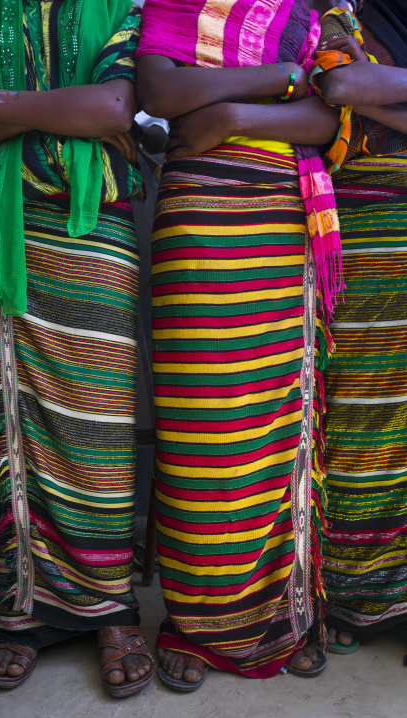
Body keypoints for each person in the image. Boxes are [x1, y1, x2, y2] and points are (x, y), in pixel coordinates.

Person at [0, 0, 153, 695]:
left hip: (92, 235)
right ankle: (19, 616)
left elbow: (114, 107)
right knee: (9, 428)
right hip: (1, 235)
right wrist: (54, 108)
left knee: (100, 430)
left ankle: (112, 612)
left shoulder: (119, 8)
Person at [136, 0, 341, 689]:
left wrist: (231, 115)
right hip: (199, 219)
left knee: (275, 429)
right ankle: (196, 623)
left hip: (284, 218)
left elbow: (326, 114)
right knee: (206, 429)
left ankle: (278, 617)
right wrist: (282, 77)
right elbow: (161, 93)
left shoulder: (311, 14)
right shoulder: (174, 6)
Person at [309, 0, 407, 656]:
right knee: (357, 415)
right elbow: (339, 87)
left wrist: (382, 96)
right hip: (365, 238)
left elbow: (358, 92)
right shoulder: (338, 14)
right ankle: (358, 593)